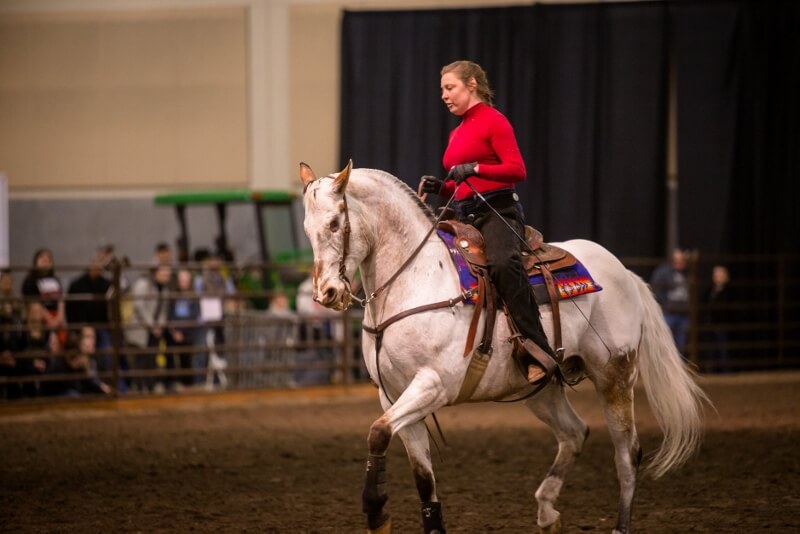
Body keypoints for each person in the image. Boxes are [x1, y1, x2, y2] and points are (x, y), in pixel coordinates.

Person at [420, 60, 556, 384]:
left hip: (498, 212)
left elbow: (517, 170)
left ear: (471, 85)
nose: (444, 95)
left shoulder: (494, 121)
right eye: (442, 89)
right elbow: (461, 183)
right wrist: (444, 187)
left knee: (503, 263)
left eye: (449, 87)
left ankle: (538, 350)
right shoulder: (457, 132)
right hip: (464, 214)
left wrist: (477, 169)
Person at [21, 248, 66, 345]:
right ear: (36, 261)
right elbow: (34, 303)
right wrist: (50, 320)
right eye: (42, 258)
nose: (45, 260)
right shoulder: (30, 280)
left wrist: (59, 317)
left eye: (48, 259)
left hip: (56, 317)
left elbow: (60, 299)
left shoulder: (55, 279)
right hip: (40, 317)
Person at [650, 248, 691, 354]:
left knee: (682, 342)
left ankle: (680, 365)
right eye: (677, 260)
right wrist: (665, 303)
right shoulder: (664, 272)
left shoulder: (689, 272)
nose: (679, 262)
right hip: (669, 312)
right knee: (666, 340)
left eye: (681, 260)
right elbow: (656, 287)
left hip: (684, 314)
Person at [704, 265, 733, 373]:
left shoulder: (728, 292)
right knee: (712, 349)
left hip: (722, 325)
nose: (718, 277)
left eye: (720, 275)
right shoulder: (710, 291)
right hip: (712, 324)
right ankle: (713, 372)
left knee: (723, 349)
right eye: (716, 275)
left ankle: (726, 372)